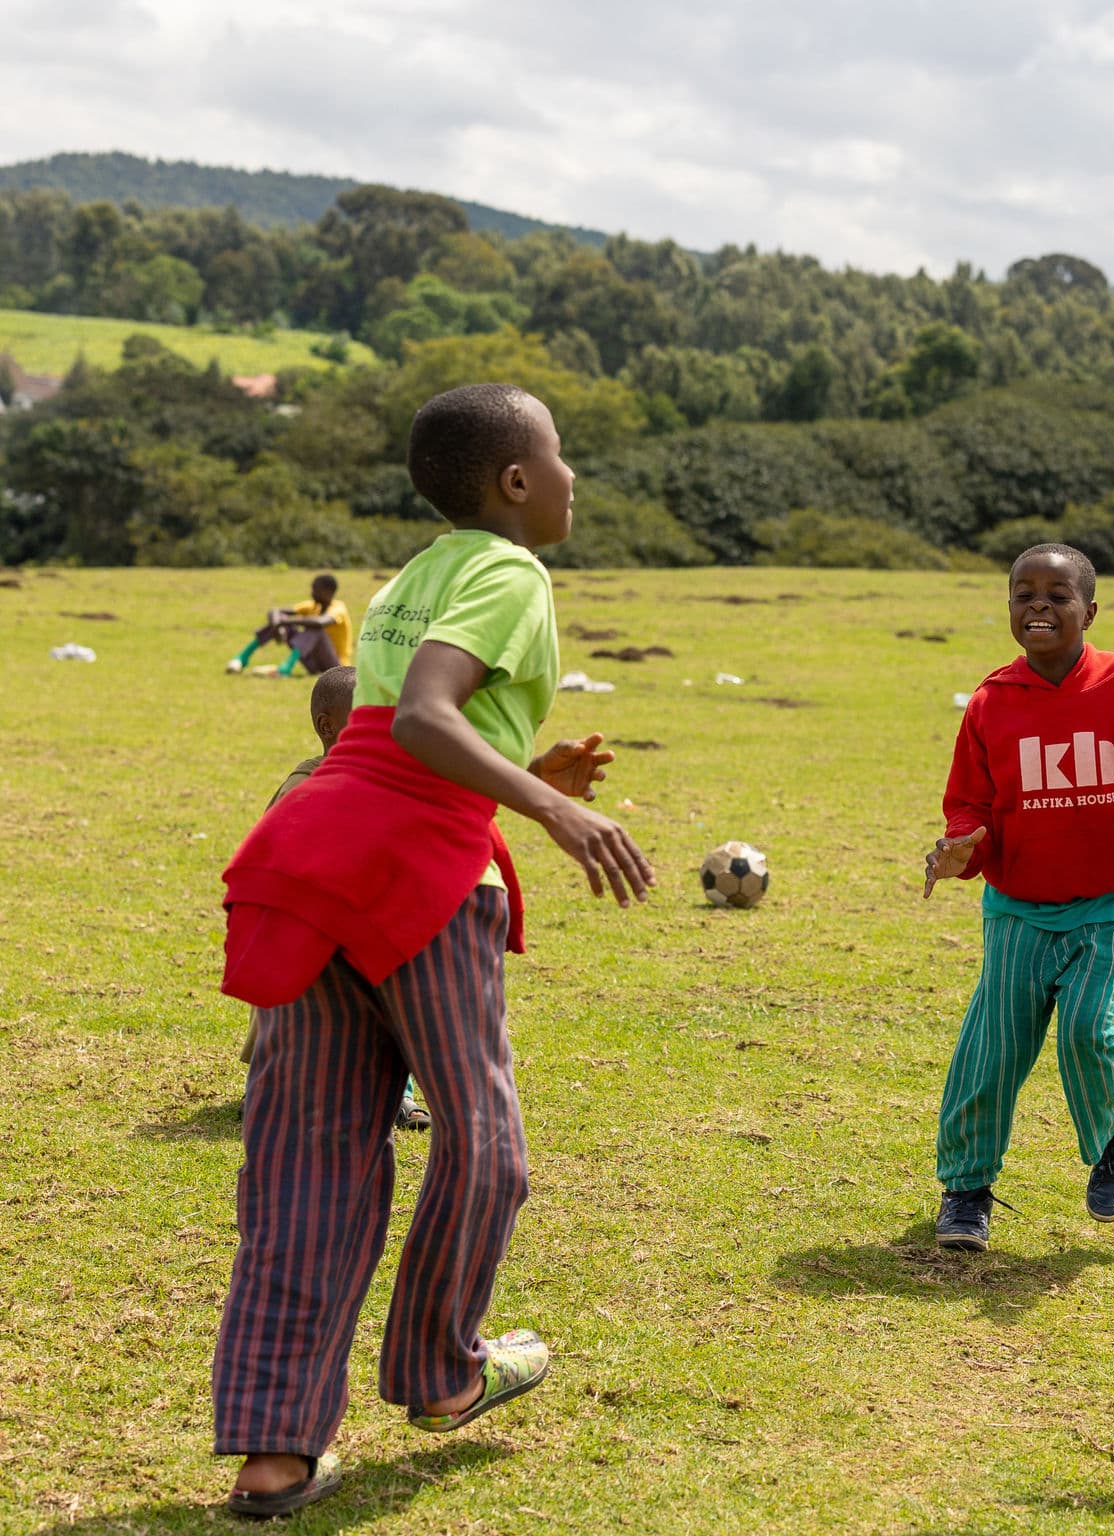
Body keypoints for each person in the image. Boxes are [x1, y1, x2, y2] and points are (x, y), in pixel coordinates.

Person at [211, 383, 656, 1518]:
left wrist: (521, 775)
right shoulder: (511, 572)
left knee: (307, 1159)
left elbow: (397, 733)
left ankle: (275, 1453)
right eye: (559, 456)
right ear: (515, 481)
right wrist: (558, 815)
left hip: (311, 854)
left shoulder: (415, 569)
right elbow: (420, 718)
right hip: (411, 880)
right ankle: (443, 1370)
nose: (570, 477)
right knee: (484, 1139)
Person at [921, 543, 1114, 1253]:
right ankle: (966, 1191)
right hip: (1017, 906)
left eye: (1057, 594)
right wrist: (959, 849)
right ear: (1009, 607)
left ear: (1091, 611)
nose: (1038, 605)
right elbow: (969, 809)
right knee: (993, 1050)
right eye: (1024, 594)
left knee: (1083, 1027)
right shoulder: (990, 702)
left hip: (1109, 899)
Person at [234, 668, 429, 1132]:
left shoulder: (381, 779)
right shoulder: (302, 789)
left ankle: (397, 1093)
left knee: (390, 1006)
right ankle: (266, 1088)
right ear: (327, 726)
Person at [226, 574, 355, 677]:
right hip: (313, 664)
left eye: (316, 589)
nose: (312, 592)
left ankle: (285, 669)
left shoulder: (339, 608)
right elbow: (275, 611)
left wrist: (284, 622)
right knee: (281, 618)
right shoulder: (312, 606)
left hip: (336, 668)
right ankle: (241, 659)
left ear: (328, 592)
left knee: (316, 629)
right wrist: (278, 625)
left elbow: (320, 622)